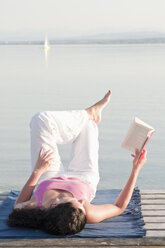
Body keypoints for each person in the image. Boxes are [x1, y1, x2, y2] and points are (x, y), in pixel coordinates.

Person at [7, 90, 147, 235]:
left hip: (48, 175)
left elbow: (17, 205)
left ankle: (88, 113)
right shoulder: (86, 213)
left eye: (77, 202)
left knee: (40, 120)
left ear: (54, 205)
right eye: (82, 206)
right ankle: (89, 114)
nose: (82, 203)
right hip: (84, 176)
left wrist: (37, 172)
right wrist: (136, 168)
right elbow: (119, 207)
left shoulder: (38, 206)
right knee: (88, 125)